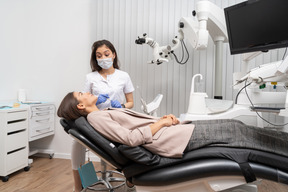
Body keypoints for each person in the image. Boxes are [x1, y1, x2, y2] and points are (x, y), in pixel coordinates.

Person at [58, 92, 288, 160]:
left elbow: (137, 125)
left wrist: (164, 120)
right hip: (172, 140)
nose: (87, 91)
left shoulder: (104, 112)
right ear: (80, 105)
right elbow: (129, 139)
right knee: (239, 131)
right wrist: (161, 123)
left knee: (237, 125)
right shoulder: (96, 118)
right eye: (82, 93)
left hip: (174, 132)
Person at [71, 40, 135, 192]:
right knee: (76, 142)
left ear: (113, 55)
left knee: (130, 141)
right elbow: (83, 101)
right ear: (95, 58)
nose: (103, 58)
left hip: (118, 116)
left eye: (106, 54)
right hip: (96, 119)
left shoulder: (123, 76)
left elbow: (130, 102)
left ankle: (131, 182)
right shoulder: (90, 77)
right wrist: (96, 102)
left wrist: (122, 106)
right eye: (99, 56)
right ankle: (77, 187)